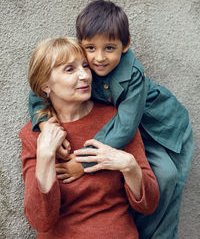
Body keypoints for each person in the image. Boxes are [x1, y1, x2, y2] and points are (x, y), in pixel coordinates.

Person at [29, 1, 193, 239]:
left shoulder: (133, 74)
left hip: (159, 129)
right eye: (91, 48)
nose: (99, 58)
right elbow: (38, 89)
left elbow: (125, 126)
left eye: (109, 48)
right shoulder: (84, 68)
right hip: (125, 127)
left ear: (125, 45)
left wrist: (81, 163)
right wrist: (45, 122)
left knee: (167, 179)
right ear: (81, 45)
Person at [20, 37, 159, 239]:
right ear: (45, 85)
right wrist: (45, 156)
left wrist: (129, 165)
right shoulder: (33, 136)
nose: (85, 76)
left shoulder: (116, 121)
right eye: (70, 69)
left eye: (85, 66)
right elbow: (40, 221)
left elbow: (149, 205)